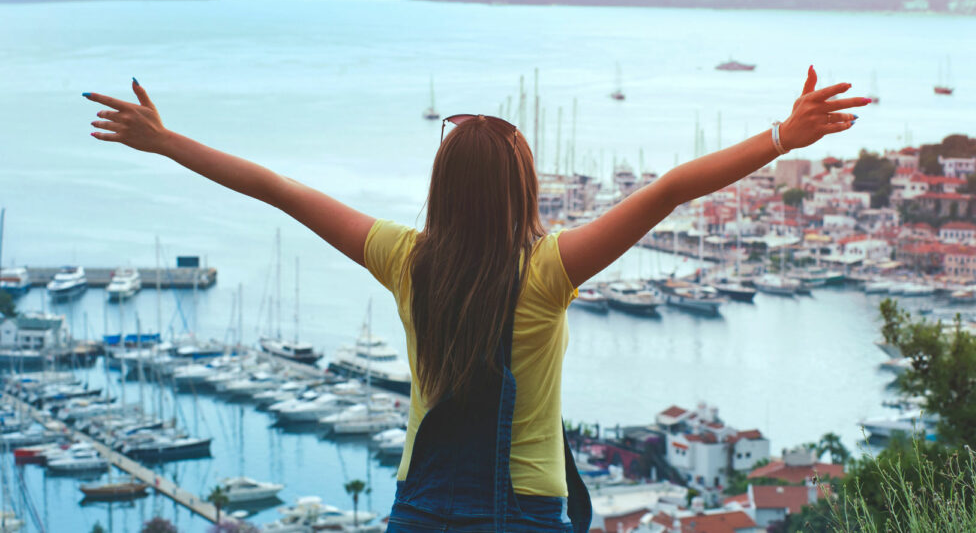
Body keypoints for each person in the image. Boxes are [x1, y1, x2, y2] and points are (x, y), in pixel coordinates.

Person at [83, 67, 867, 532]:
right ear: (522, 187)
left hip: (419, 506)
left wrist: (165, 140)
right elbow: (666, 191)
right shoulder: (549, 271)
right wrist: (781, 135)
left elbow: (279, 190)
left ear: (444, 187)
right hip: (524, 510)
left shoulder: (404, 259)